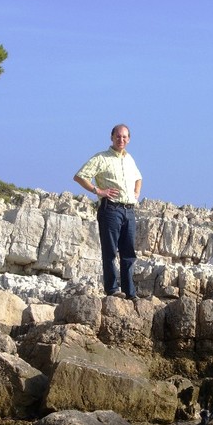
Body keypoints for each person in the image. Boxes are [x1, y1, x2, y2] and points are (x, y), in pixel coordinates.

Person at [73, 124, 142, 299]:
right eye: (118, 136)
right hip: (110, 209)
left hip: (129, 210)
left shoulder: (129, 159)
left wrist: (136, 193)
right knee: (110, 252)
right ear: (111, 137)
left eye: (125, 137)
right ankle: (112, 290)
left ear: (129, 139)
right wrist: (98, 191)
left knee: (128, 253)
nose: (121, 140)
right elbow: (80, 176)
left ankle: (129, 292)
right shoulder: (101, 158)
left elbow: (138, 177)